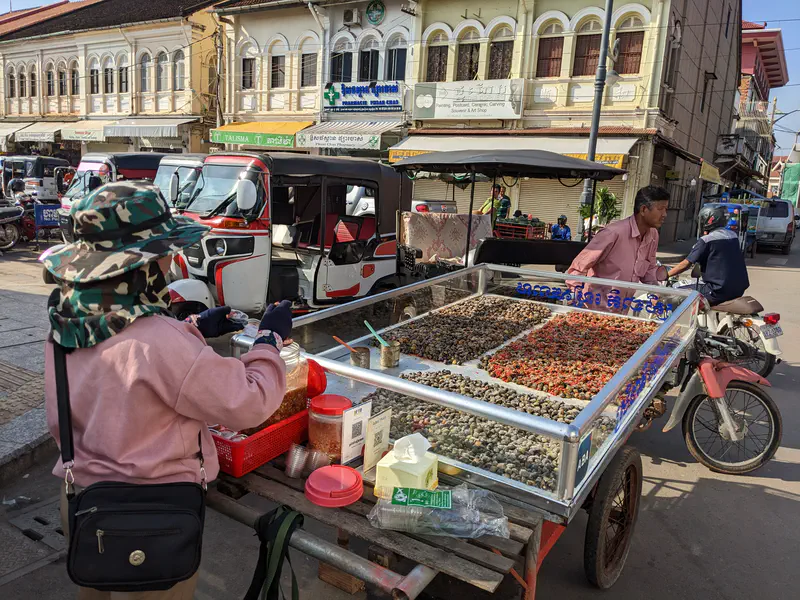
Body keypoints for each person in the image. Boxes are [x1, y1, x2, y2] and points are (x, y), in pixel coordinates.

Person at [42, 181, 293, 600]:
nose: (168, 265)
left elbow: (125, 372)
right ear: (138, 266)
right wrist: (268, 341)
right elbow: (249, 402)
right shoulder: (159, 341)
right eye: (161, 257)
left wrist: (192, 328)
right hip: (152, 516)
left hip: (82, 501)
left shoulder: (64, 325)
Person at [567, 186, 670, 296]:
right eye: (660, 209)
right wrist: (577, 296)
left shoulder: (653, 235)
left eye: (666, 209)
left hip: (622, 308)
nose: (664, 214)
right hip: (596, 307)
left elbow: (648, 271)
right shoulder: (613, 233)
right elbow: (578, 268)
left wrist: (658, 286)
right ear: (643, 210)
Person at [667, 203, 749, 305]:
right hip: (738, 289)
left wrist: (666, 275)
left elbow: (686, 264)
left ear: (709, 220)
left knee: (674, 289)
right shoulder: (733, 236)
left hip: (716, 290)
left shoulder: (707, 240)